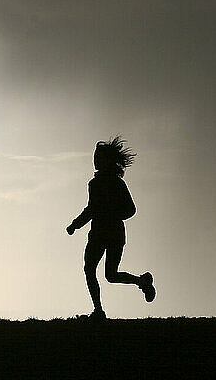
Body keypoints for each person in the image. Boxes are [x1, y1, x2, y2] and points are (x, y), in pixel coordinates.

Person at [66, 136, 155, 320]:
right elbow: (91, 209)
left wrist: (111, 215)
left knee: (110, 275)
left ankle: (141, 281)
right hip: (98, 233)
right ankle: (98, 310)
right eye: (95, 157)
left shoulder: (117, 183)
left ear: (108, 160)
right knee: (90, 269)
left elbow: (131, 209)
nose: (95, 160)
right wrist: (75, 224)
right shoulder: (94, 184)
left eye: (99, 157)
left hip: (113, 232)